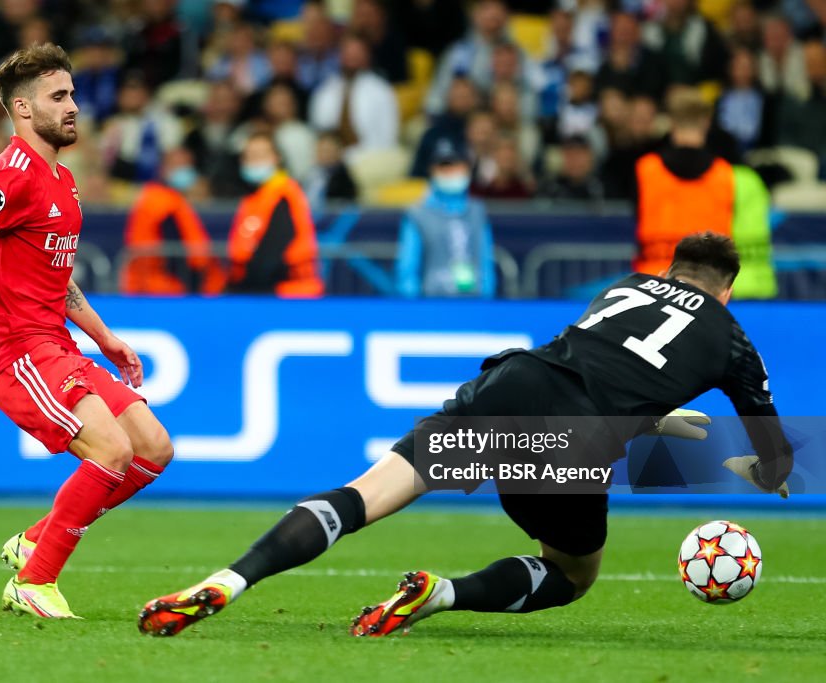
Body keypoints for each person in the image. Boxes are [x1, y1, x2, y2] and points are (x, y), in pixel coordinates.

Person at [138, 232, 792, 637]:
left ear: (671, 268)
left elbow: (603, 363)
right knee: (571, 572)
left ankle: (229, 579)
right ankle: (441, 593)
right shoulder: (733, 340)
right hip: (571, 443)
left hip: (513, 385)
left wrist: (654, 416)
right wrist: (759, 470)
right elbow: (776, 453)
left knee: (364, 493)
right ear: (726, 289)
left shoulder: (628, 286)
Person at [0, 43, 174, 619]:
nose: (73, 106)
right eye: (58, 97)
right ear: (22, 108)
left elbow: (57, 277)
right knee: (112, 450)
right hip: (22, 350)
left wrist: (105, 336)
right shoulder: (10, 176)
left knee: (153, 448)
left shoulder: (62, 181)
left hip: (60, 343)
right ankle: (34, 581)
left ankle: (37, 540)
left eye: (72, 94)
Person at [634, 88, 776, 298]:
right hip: (708, 285)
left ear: (671, 122)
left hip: (654, 285)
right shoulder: (728, 175)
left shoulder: (645, 171)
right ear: (706, 122)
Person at [225, 132, 323, 296]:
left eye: (261, 155)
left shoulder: (282, 194)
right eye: (250, 156)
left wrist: (245, 286)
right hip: (270, 290)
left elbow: (274, 248)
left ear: (276, 158)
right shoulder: (257, 196)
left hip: (286, 292)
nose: (255, 161)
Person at [396, 139, 495, 298]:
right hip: (433, 306)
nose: (450, 171)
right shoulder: (418, 213)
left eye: (455, 164)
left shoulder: (477, 211)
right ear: (432, 170)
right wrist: (413, 308)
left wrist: (486, 302)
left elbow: (485, 263)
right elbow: (408, 269)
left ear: (467, 168)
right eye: (443, 166)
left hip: (474, 304)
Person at [121, 148, 225, 295]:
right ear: (163, 169)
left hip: (159, 286)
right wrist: (193, 286)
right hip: (165, 289)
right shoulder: (162, 203)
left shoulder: (170, 199)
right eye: (176, 165)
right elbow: (174, 252)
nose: (182, 170)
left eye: (186, 165)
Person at [308, 31, 399, 152]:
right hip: (332, 159)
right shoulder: (326, 90)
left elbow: (389, 136)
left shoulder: (381, 91)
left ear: (368, 56)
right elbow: (317, 129)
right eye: (348, 51)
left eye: (357, 52)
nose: (352, 56)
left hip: (370, 157)